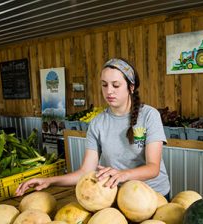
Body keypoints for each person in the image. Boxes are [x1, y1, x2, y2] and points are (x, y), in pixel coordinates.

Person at [16, 58, 170, 198]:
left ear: (131, 87)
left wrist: (123, 174)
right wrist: (49, 181)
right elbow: (85, 172)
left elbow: (153, 168)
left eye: (116, 85)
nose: (109, 91)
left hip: (154, 195)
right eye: (104, 85)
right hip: (120, 196)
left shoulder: (149, 115)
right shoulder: (97, 123)